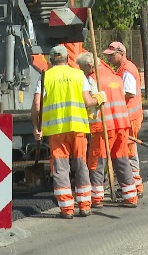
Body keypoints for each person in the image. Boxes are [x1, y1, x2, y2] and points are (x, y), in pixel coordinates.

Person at [31, 45, 104, 219]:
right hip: (78, 128)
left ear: (50, 60)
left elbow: (36, 105)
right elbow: (87, 101)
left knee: (60, 169)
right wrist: (99, 97)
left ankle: (66, 209)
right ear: (67, 59)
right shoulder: (78, 75)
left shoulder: (45, 77)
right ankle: (85, 206)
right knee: (81, 166)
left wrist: (36, 126)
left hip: (56, 131)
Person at [76, 52, 138, 208]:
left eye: (82, 68)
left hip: (104, 127)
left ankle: (96, 198)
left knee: (97, 161)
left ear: (89, 66)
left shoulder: (93, 79)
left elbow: (90, 102)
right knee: (122, 159)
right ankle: (130, 196)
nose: (82, 71)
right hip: (122, 125)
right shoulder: (116, 77)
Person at [103, 41, 144, 198]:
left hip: (130, 118)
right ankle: (132, 185)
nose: (109, 59)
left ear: (121, 53)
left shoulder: (127, 70)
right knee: (126, 152)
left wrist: (111, 96)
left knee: (129, 152)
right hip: (127, 117)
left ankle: (135, 187)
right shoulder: (121, 69)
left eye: (112, 56)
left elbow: (129, 93)